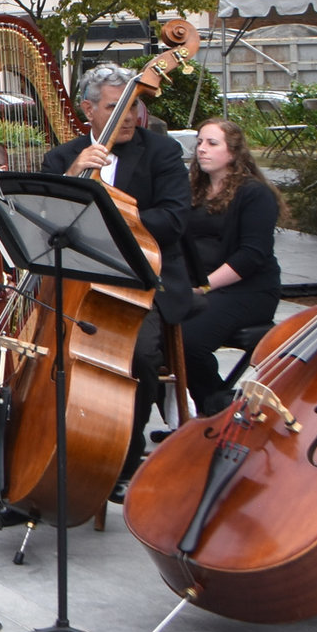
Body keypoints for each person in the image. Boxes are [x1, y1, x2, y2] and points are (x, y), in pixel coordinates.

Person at [44, 64, 194, 486]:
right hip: (78, 282)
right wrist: (73, 175)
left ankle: (121, 461)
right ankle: (53, 450)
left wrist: (114, 221)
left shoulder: (160, 151)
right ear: (88, 110)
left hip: (142, 281)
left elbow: (174, 218)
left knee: (140, 358)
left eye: (134, 107)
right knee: (45, 351)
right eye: (116, 107)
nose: (128, 117)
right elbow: (44, 217)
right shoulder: (63, 157)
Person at [176, 118, 284, 412]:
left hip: (247, 290)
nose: (202, 150)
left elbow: (252, 255)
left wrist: (204, 286)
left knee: (186, 341)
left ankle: (217, 406)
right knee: (154, 335)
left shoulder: (255, 194)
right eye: (199, 143)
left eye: (212, 143)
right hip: (199, 287)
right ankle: (187, 417)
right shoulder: (193, 190)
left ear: (234, 153)